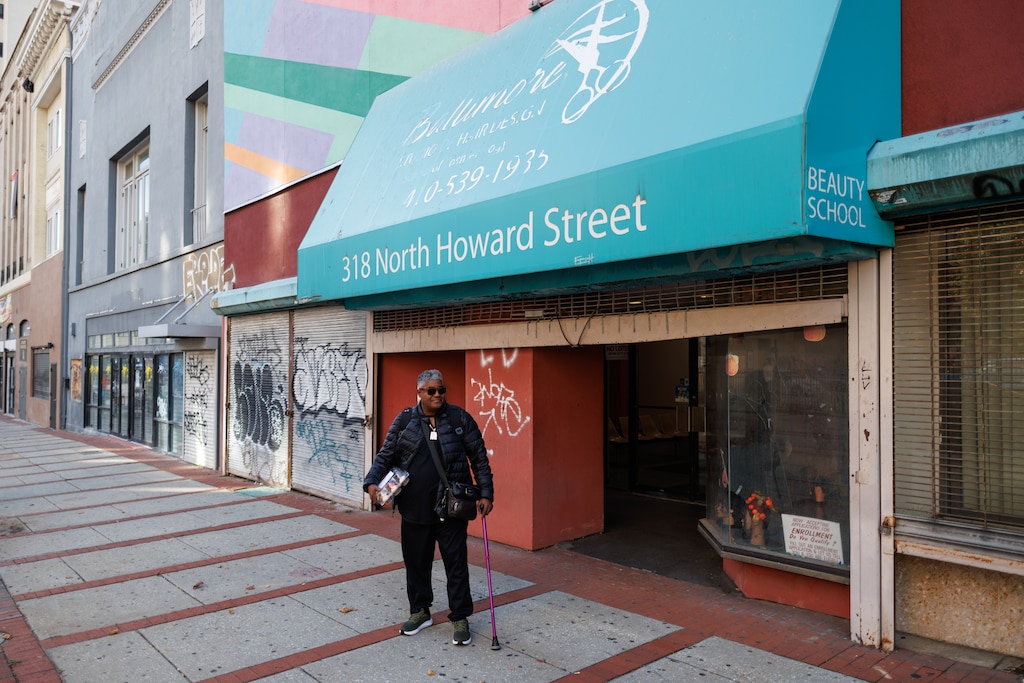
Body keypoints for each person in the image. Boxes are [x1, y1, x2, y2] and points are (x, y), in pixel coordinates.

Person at [364, 369, 494, 646]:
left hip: (452, 509)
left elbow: (479, 458)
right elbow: (386, 455)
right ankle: (420, 611)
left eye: (441, 390)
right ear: (419, 393)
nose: (437, 395)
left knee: (456, 565)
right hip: (414, 507)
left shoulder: (460, 419)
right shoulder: (405, 421)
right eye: (431, 391)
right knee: (416, 564)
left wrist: (486, 493)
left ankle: (460, 616)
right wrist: (372, 481)